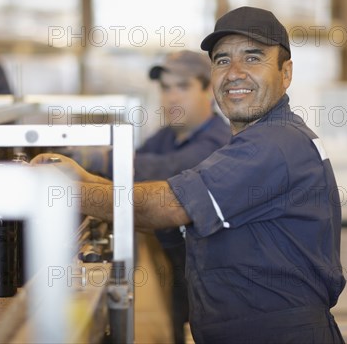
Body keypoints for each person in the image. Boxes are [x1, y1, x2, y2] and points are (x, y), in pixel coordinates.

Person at [33, 6, 346, 343]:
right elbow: (154, 198)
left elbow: (163, 205)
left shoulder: (273, 143)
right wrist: (85, 180)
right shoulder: (257, 140)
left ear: (286, 73)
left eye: (253, 58)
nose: (235, 72)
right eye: (222, 60)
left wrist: (67, 189)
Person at [70, 50, 231, 343]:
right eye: (165, 88)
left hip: (216, 285)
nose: (171, 97)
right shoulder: (168, 136)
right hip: (182, 272)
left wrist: (94, 158)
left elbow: (161, 168)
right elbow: (134, 169)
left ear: (209, 90)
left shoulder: (218, 141)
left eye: (182, 86)